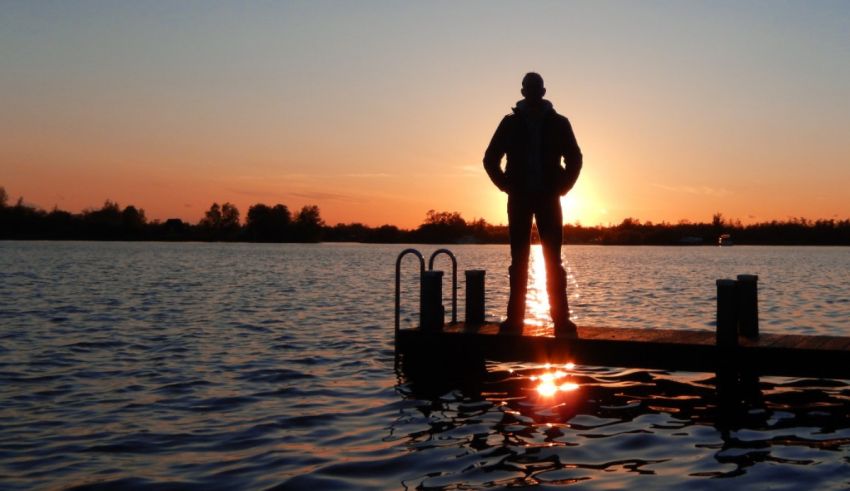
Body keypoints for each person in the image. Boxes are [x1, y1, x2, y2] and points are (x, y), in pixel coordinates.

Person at [483, 72, 582, 336]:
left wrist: (563, 187)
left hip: (549, 199)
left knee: (553, 260)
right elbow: (490, 159)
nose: (534, 92)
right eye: (530, 88)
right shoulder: (510, 123)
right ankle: (514, 321)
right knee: (519, 260)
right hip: (520, 199)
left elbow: (575, 158)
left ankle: (561, 322)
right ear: (524, 91)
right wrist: (506, 185)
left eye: (537, 88)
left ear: (543, 91)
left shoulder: (560, 123)